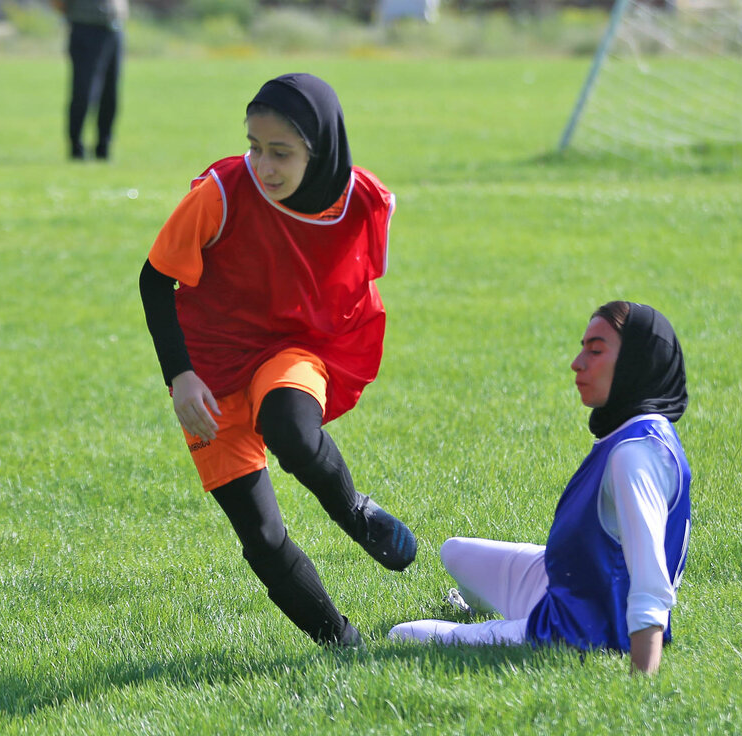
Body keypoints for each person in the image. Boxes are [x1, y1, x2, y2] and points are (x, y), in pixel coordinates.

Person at [138, 73, 418, 649]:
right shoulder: (219, 192)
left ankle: (354, 512)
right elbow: (153, 281)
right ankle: (343, 644)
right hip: (209, 374)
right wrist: (181, 377)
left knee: (290, 427)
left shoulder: (360, 200)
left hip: (289, 350)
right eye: (254, 146)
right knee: (261, 537)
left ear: (320, 149)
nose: (263, 165)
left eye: (281, 152)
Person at [388, 301, 691, 674]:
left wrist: (642, 679)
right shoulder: (640, 431)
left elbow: (650, 580)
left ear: (637, 361)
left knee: (401, 634)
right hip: (563, 584)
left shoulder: (634, 454)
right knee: (454, 552)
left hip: (576, 630)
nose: (577, 362)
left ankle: (501, 627)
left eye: (595, 351)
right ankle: (479, 610)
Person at [53, 0, 126, 160]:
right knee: (84, 92)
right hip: (86, 28)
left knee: (110, 93)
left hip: (114, 27)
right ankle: (76, 148)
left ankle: (103, 148)